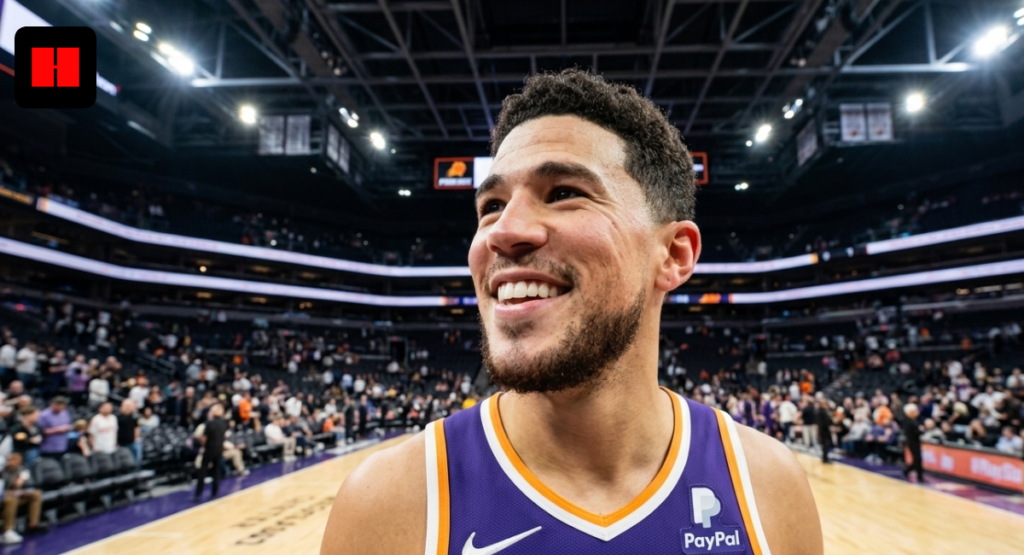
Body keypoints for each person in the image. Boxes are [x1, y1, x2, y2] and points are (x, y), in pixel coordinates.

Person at [321, 69, 822, 555]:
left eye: (564, 193)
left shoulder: (767, 485)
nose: (501, 231)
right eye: (491, 205)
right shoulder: (389, 502)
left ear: (673, 256)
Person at [1, 453, 44, 544]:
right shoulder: (3, 472)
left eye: (15, 461)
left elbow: (26, 482)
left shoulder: (21, 469)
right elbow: (3, 490)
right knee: (12, 500)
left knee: (36, 494)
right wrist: (14, 490)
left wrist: (22, 480)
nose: (12, 462)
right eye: (10, 460)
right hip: (6, 496)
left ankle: (33, 525)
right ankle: (7, 531)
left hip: (17, 494)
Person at [192, 404, 229, 502]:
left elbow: (204, 439)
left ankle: (198, 494)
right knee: (216, 471)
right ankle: (214, 493)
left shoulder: (209, 423)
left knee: (202, 471)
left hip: (209, 449)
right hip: (219, 449)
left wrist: (199, 440)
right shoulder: (224, 423)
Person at [900, 404, 924, 483]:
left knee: (917, 459)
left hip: (913, 441)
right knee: (917, 459)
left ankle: (908, 471)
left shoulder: (913, 420)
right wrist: (921, 430)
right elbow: (916, 432)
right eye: (914, 411)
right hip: (913, 442)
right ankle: (918, 476)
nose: (917, 412)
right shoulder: (909, 421)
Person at [116, 400, 141, 467]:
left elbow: (137, 428)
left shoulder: (134, 416)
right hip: (122, 443)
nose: (129, 407)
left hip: (132, 442)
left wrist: (136, 438)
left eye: (130, 406)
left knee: (137, 458)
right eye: (127, 406)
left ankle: (137, 471)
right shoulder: (117, 417)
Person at [816, 397, 834, 464]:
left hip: (822, 429)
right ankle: (825, 458)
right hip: (824, 430)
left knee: (824, 444)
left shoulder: (819, 411)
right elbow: (827, 421)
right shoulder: (823, 412)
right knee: (826, 444)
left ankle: (824, 457)